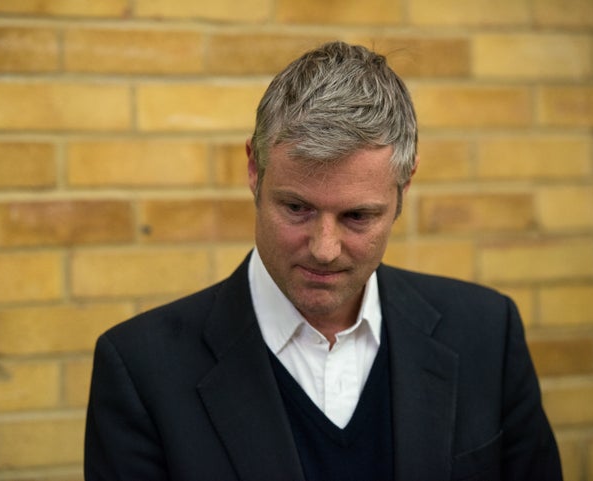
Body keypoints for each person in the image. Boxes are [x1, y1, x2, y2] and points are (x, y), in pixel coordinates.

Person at [84, 41, 562, 481]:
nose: (324, 248)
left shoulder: (486, 332)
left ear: (405, 188)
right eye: (297, 208)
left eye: (357, 216)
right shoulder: (141, 372)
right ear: (254, 169)